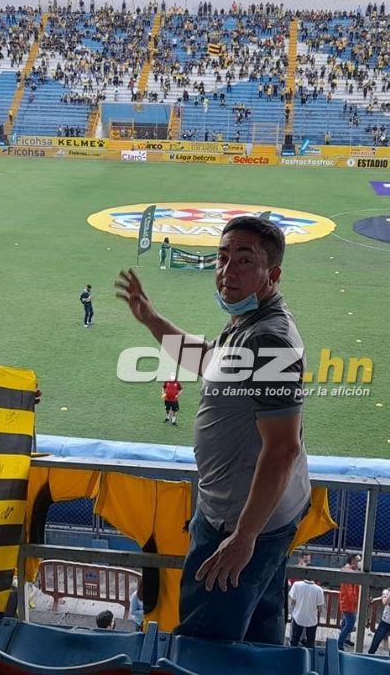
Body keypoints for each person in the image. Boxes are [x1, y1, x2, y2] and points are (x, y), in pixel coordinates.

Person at [115, 215, 311, 645]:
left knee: (204, 645)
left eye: (244, 260)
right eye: (222, 258)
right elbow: (207, 363)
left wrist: (244, 537)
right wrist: (150, 318)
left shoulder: (269, 338)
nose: (227, 271)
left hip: (239, 525)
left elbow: (282, 449)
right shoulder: (249, 321)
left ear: (272, 274)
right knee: (260, 643)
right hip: (254, 518)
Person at [288, 570, 325, 647]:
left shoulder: (296, 585)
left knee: (294, 641)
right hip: (312, 620)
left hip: (298, 617)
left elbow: (292, 602)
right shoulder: (319, 590)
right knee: (310, 642)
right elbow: (320, 608)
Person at [336, 554, 361, 651]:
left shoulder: (349, 572)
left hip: (347, 603)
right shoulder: (350, 573)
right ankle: (340, 644)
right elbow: (350, 592)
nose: (360, 563)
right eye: (358, 561)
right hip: (348, 604)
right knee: (350, 624)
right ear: (353, 561)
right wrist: (356, 601)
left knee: (345, 622)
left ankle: (344, 640)